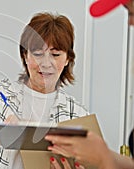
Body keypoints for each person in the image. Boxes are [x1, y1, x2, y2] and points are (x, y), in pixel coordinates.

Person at [0, 12, 89, 169]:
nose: (46, 63)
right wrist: (0, 134)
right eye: (37, 54)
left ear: (67, 59)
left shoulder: (78, 114)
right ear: (25, 56)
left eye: (55, 54)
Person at [45, 1, 134, 169]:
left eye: (131, 13)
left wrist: (102, 159)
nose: (130, 23)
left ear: (68, 59)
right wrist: (102, 154)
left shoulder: (77, 112)